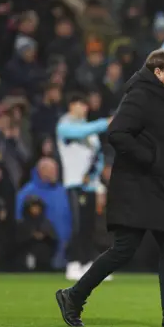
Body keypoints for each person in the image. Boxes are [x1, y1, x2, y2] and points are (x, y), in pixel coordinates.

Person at [55, 49, 164, 327]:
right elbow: (117, 133)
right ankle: (73, 297)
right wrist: (154, 157)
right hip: (137, 187)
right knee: (125, 249)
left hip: (156, 186)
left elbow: (152, 139)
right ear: (158, 73)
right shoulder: (140, 96)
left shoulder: (159, 97)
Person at [56, 92, 111, 280]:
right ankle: (73, 263)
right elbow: (80, 132)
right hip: (74, 183)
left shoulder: (91, 132)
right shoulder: (64, 126)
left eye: (86, 105)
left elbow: (98, 158)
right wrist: (105, 123)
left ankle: (87, 263)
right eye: (81, 104)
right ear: (71, 105)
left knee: (89, 226)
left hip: (90, 185)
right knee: (77, 225)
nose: (84, 108)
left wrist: (95, 180)